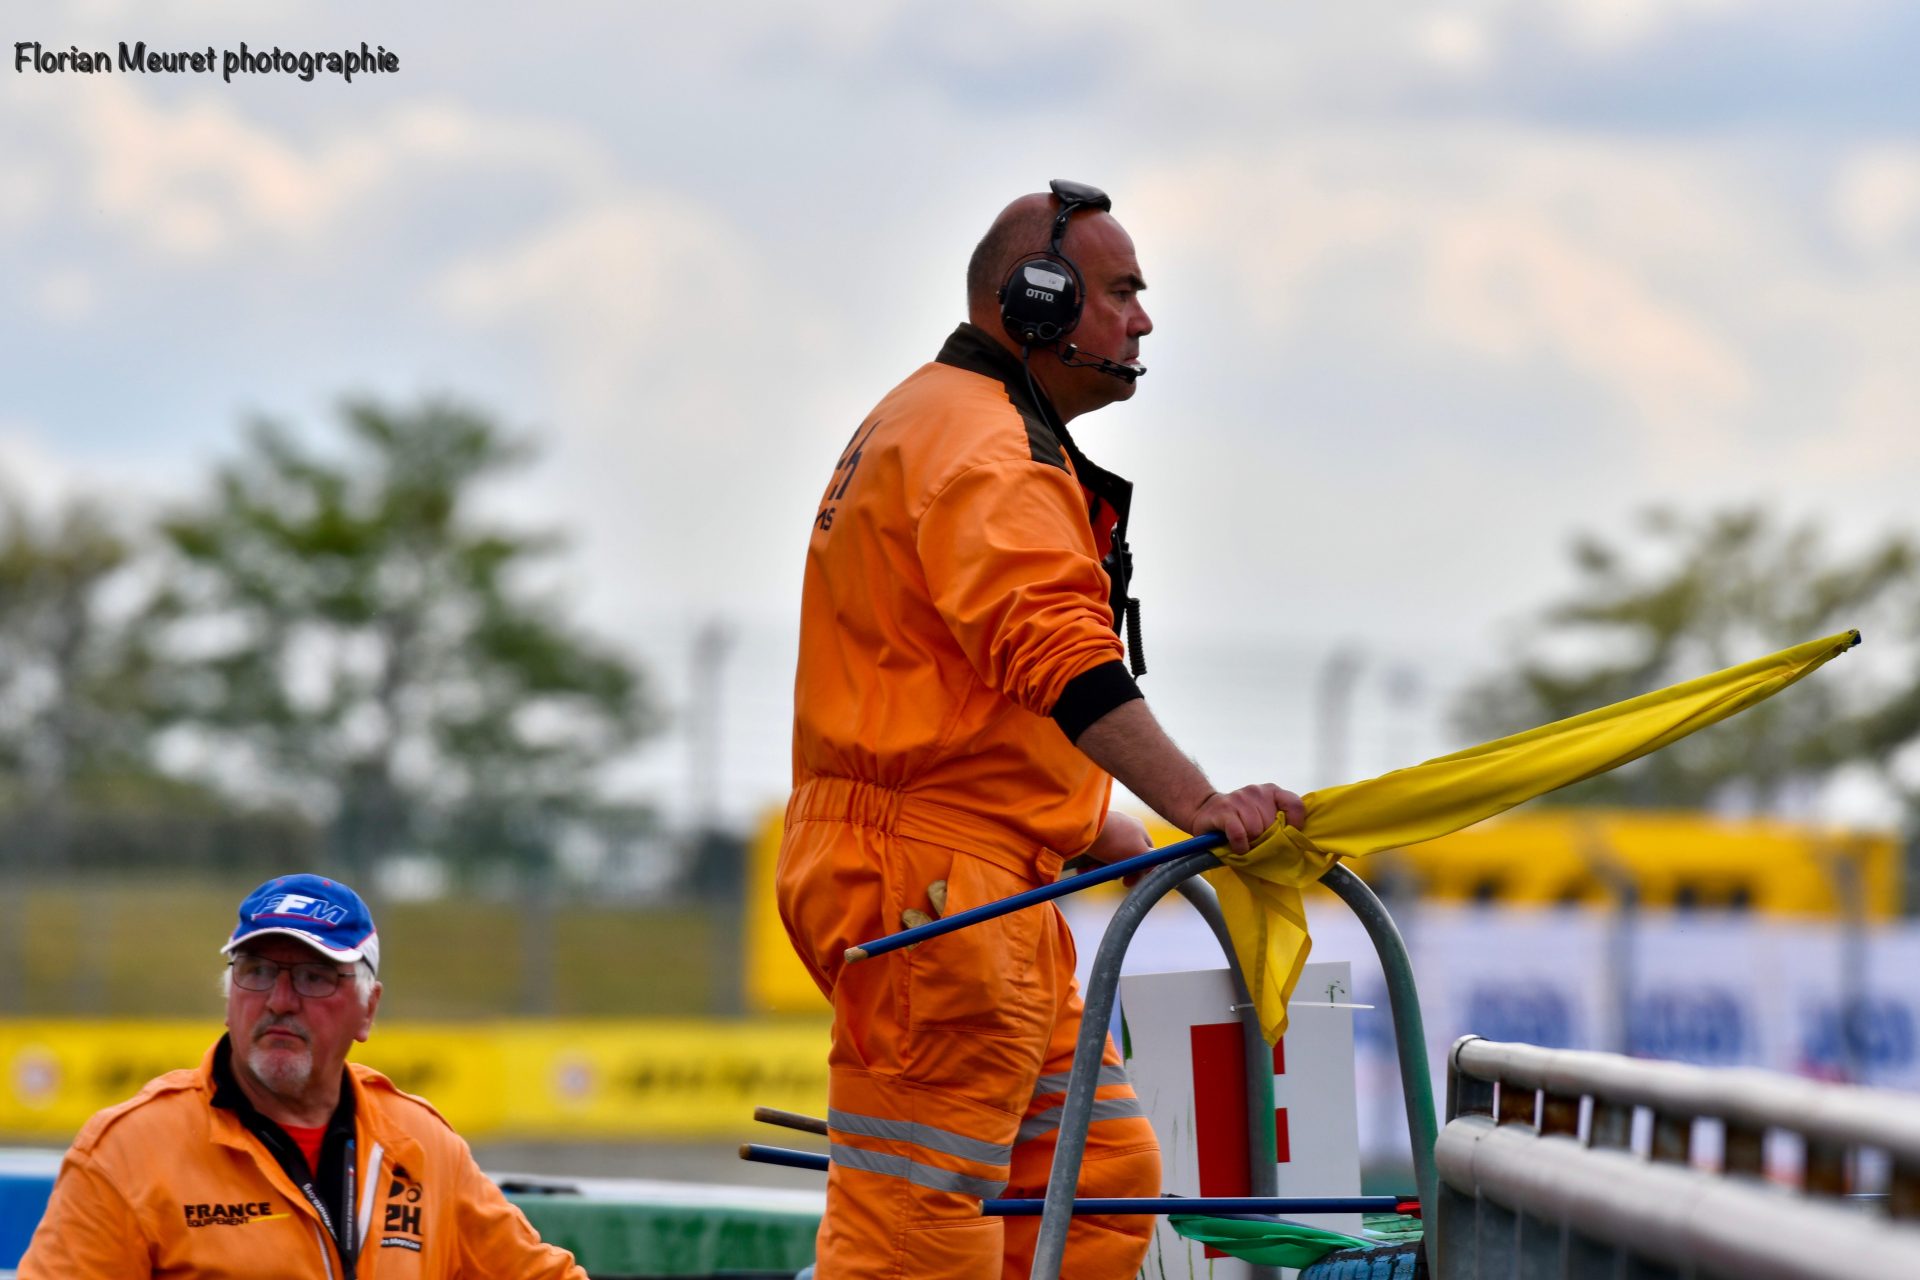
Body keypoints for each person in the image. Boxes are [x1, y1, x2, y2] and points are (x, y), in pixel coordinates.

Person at [776, 180, 1306, 1279]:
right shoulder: (992, 453)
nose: (1143, 320)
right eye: (1120, 292)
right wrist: (1198, 804)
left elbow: (962, 706)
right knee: (913, 1246)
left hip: (961, 881)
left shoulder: (935, 417)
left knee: (1100, 1188)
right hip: (939, 895)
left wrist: (1095, 826)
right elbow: (1063, 658)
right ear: (1037, 302)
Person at [20, 873, 587, 1279]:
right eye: (258, 971)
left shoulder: (422, 1146)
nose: (280, 1000)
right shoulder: (127, 1153)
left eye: (315, 977)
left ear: (368, 1008)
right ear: (227, 997)